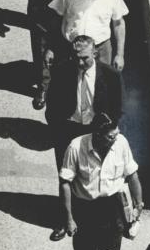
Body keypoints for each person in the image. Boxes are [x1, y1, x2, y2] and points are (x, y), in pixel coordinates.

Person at [58, 114, 143, 250]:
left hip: (113, 207)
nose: (116, 139)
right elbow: (65, 183)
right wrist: (68, 219)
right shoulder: (76, 147)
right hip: (85, 209)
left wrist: (138, 204)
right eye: (111, 136)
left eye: (117, 134)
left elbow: (132, 174)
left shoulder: (121, 143)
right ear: (97, 134)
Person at [45, 35, 123, 164]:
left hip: (97, 130)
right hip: (68, 129)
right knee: (66, 169)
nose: (80, 63)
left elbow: (117, 107)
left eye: (84, 58)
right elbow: (52, 102)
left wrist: (109, 129)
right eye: (76, 58)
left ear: (95, 53)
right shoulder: (61, 71)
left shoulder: (111, 75)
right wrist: (56, 127)